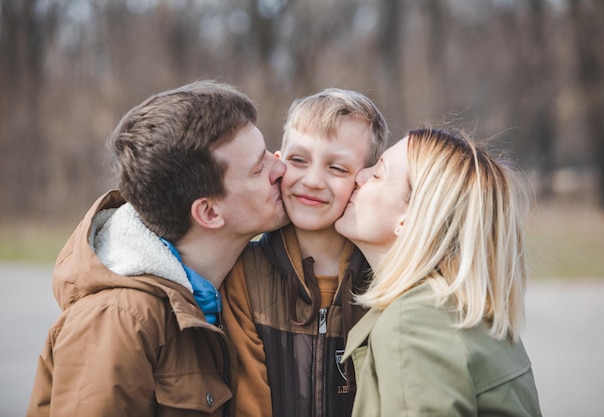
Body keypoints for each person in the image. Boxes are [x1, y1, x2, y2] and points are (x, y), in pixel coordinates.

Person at [26, 80, 289, 417]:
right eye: (259, 168)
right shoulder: (118, 323)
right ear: (209, 212)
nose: (281, 167)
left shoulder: (230, 291)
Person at [335, 127, 543, 416]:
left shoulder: (412, 323)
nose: (359, 176)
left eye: (378, 174)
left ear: (410, 220)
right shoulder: (464, 310)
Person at [221, 88, 388, 417]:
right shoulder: (244, 272)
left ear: (365, 181)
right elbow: (248, 404)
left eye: (337, 169)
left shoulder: (383, 280)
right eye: (299, 161)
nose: (312, 180)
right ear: (279, 162)